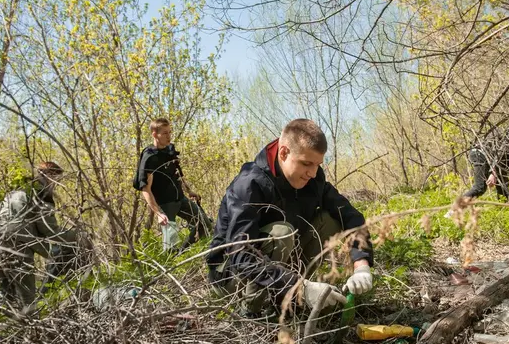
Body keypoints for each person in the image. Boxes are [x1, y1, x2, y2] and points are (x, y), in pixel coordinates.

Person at [207, 119, 374, 316]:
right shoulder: (249, 184)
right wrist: (299, 286)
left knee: (330, 219)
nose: (312, 173)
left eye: (318, 165)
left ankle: (290, 303)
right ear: (284, 153)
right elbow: (241, 256)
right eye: (306, 163)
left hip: (279, 273)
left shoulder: (312, 180)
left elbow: (350, 216)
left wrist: (361, 263)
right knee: (281, 233)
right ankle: (250, 312)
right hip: (230, 278)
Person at [0, 161, 77, 308]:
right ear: (49, 175)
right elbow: (50, 231)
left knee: (6, 292)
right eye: (56, 179)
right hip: (17, 245)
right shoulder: (41, 193)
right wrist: (77, 236)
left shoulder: (18, 190)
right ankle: (29, 329)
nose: (56, 184)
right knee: (26, 298)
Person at [134, 118, 212, 248]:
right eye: (165, 133)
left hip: (180, 198)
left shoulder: (170, 150)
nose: (169, 136)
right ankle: (171, 264)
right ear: (154, 134)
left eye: (170, 132)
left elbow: (178, 172)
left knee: (204, 224)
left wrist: (189, 190)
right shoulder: (150, 156)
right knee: (171, 244)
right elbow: (145, 189)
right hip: (165, 204)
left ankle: (184, 253)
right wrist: (158, 213)